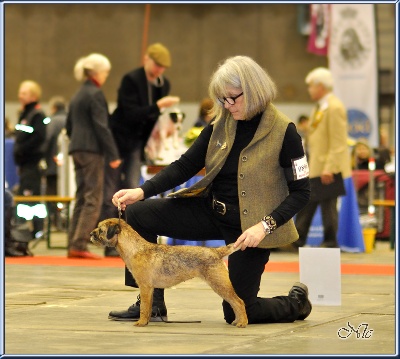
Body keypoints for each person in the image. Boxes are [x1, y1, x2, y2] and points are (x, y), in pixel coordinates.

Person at [108, 55, 312, 325]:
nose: (228, 105)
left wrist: (264, 226)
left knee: (239, 312)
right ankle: (151, 303)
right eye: (222, 100)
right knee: (138, 214)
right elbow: (184, 166)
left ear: (254, 90)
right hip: (211, 211)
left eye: (233, 98)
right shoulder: (220, 124)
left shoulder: (285, 132)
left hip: (251, 229)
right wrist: (141, 191)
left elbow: (301, 191)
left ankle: (296, 303)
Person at [66, 53, 121, 259]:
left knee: (81, 196)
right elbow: (101, 126)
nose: (106, 76)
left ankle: (73, 243)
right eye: (106, 72)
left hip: (76, 148)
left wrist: (76, 143)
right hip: (91, 151)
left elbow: (69, 125)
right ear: (98, 72)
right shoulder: (95, 93)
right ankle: (80, 244)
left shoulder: (78, 94)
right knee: (93, 198)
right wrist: (113, 154)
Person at [294, 67, 351, 249]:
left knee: (327, 205)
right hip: (317, 165)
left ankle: (330, 241)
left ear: (321, 86)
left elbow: (338, 142)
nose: (309, 90)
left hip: (327, 166)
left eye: (311, 86)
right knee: (309, 202)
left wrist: (330, 167)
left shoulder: (334, 108)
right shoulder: (320, 108)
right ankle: (298, 239)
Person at [109, 42, 180, 190]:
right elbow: (131, 113)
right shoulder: (131, 80)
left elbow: (155, 118)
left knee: (131, 184)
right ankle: (110, 213)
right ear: (146, 59)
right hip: (118, 138)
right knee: (111, 183)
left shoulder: (163, 84)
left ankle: (128, 213)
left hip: (138, 142)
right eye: (157, 65)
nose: (160, 70)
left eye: (163, 67)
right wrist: (158, 106)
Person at [13, 80, 47, 240]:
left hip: (33, 164)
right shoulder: (23, 114)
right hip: (24, 164)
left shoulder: (38, 115)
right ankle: (22, 230)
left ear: (33, 96)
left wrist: (22, 151)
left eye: (24, 93)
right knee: (23, 199)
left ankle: (37, 230)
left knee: (32, 198)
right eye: (20, 92)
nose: (20, 96)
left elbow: (39, 138)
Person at [43, 96, 68, 227]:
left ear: (53, 108)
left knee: (52, 194)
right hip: (70, 169)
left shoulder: (51, 121)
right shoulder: (71, 120)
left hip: (53, 167)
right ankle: (66, 221)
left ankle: (54, 222)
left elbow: (47, 141)